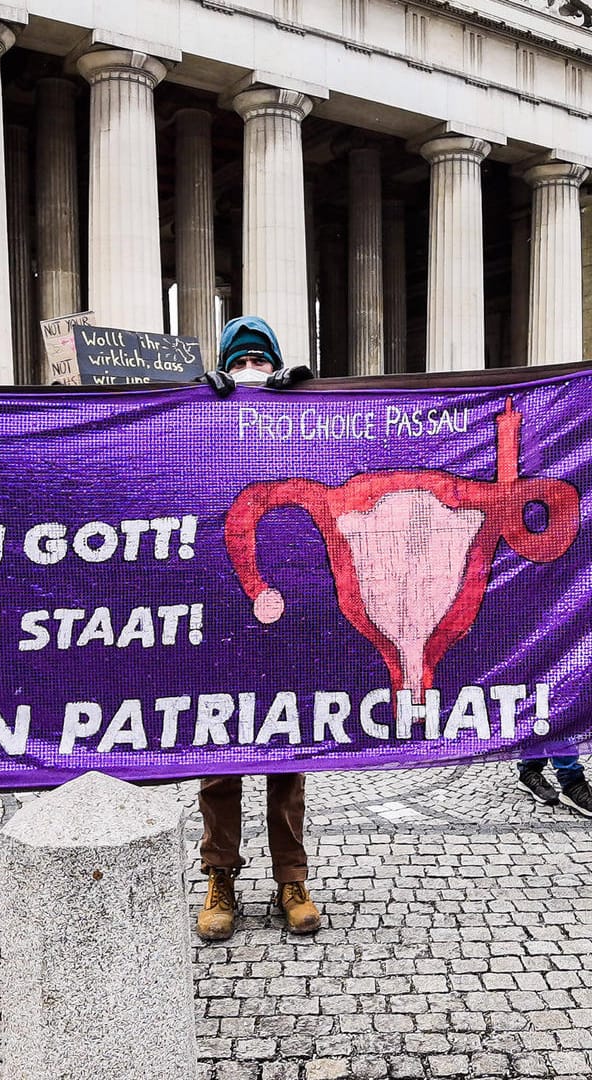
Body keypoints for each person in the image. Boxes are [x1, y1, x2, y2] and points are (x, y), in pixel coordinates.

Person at [195, 315, 325, 941]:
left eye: (260, 361)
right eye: (241, 362)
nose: (252, 371)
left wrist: (314, 399)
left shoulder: (297, 422)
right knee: (220, 755)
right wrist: (189, 402)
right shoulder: (202, 423)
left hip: (286, 618)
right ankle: (220, 875)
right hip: (222, 616)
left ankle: (291, 877)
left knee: (286, 751)